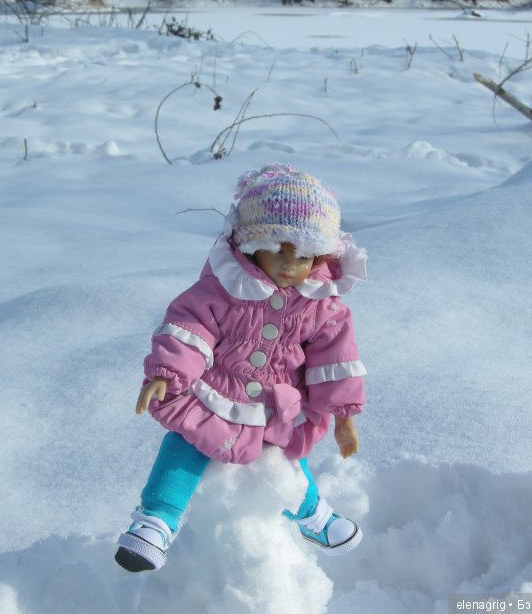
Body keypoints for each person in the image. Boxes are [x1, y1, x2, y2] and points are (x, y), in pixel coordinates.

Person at [115, 163, 369, 573]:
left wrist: (343, 414)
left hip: (278, 403)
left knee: (286, 458)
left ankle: (313, 516)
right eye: (278, 249)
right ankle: (156, 520)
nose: (290, 266)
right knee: (186, 445)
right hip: (216, 392)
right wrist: (167, 373)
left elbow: (335, 355)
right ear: (252, 244)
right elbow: (190, 326)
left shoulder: (322, 304)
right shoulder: (224, 287)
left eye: (304, 256)